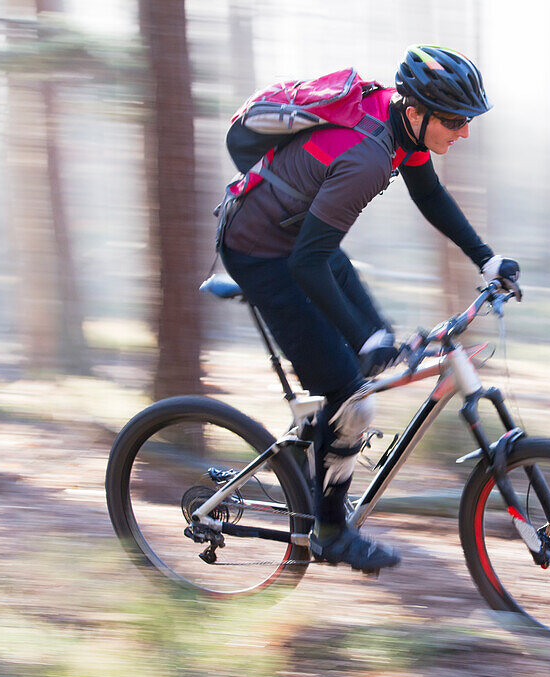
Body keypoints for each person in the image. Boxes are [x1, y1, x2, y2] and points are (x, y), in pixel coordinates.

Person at [218, 44, 520, 571]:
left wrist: (486, 259)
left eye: (466, 120)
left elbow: (429, 194)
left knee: (368, 356)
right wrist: (362, 339)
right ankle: (330, 532)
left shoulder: (395, 120)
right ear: (419, 111)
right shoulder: (367, 156)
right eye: (454, 121)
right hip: (263, 251)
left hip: (303, 243)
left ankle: (324, 448)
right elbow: (307, 267)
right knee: (348, 384)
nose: (463, 131)